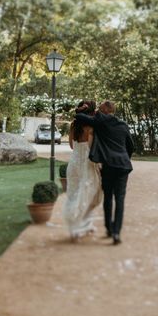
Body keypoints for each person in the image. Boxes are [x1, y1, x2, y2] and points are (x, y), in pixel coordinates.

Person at [75, 100, 133, 245]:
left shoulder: (101, 120)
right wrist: (124, 158)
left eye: (100, 109)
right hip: (123, 165)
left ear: (106, 110)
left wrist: (81, 109)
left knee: (108, 197)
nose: (98, 111)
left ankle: (109, 228)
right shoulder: (123, 125)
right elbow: (130, 146)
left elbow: (80, 118)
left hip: (108, 165)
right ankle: (116, 233)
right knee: (120, 199)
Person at [62, 100, 103, 241]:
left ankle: (79, 227)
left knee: (74, 194)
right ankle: (81, 227)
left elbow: (72, 146)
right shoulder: (92, 126)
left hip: (74, 162)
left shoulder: (74, 125)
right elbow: (92, 147)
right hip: (87, 162)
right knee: (89, 194)